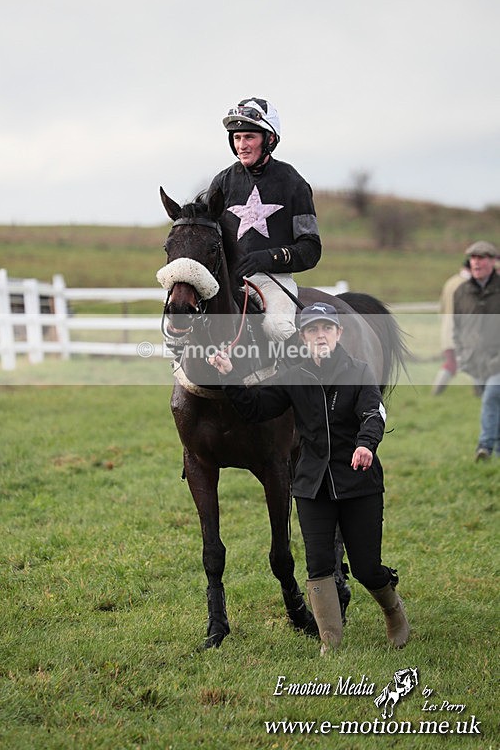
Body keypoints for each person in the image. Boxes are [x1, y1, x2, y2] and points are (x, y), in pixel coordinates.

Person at [208, 303, 410, 655]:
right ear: (303, 337)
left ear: (338, 334)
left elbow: (373, 414)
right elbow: (255, 409)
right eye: (313, 330)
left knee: (366, 567)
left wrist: (366, 445)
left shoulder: (359, 371)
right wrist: (230, 374)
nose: (320, 336)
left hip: (358, 481)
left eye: (326, 329)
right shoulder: (293, 376)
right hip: (311, 484)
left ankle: (394, 613)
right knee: (318, 564)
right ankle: (330, 642)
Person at [208, 98, 321, 342]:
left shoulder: (294, 183)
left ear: (269, 139)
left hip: (272, 282)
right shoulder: (222, 182)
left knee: (278, 328)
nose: (242, 145)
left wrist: (267, 258)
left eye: (249, 137)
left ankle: (309, 378)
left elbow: (311, 249)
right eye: (237, 138)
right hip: (227, 281)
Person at [453, 240, 500, 461]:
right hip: (475, 361)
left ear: (493, 261)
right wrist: (461, 353)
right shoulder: (461, 292)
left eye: (481, 258)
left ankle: (485, 447)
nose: (476, 262)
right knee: (491, 401)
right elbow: (457, 326)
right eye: (473, 258)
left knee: (492, 396)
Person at [431, 260, 471, 395]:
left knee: (452, 363)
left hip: (447, 331)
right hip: (463, 333)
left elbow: (441, 308)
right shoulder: (467, 285)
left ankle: (435, 394)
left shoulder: (451, 281)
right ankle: (435, 393)